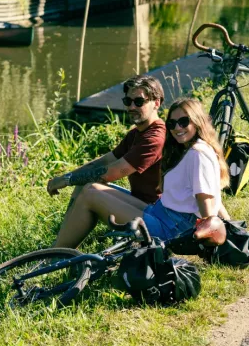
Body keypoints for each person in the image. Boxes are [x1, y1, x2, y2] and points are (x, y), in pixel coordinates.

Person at [54, 97, 230, 248]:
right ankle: (57, 250)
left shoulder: (197, 153)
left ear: (197, 121)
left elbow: (206, 199)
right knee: (91, 188)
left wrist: (211, 231)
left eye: (183, 122)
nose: (177, 128)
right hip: (161, 213)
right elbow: (214, 193)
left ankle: (54, 258)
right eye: (172, 123)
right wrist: (230, 224)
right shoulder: (193, 149)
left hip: (171, 229)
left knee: (90, 197)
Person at [47, 75, 167, 240]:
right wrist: (66, 177)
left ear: (157, 103)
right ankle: (61, 241)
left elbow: (109, 173)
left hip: (155, 214)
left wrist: (66, 180)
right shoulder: (137, 133)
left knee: (90, 190)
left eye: (139, 102)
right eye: (128, 101)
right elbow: (104, 161)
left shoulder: (155, 138)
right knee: (83, 184)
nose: (132, 107)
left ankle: (56, 257)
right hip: (139, 203)